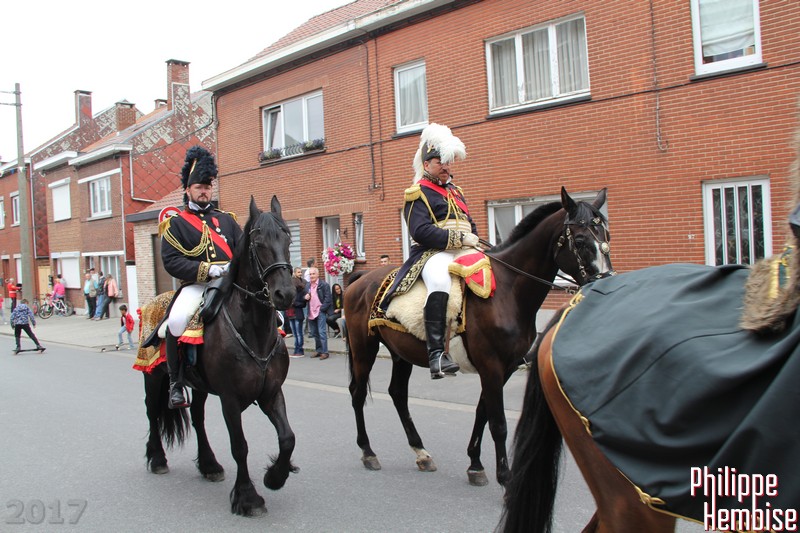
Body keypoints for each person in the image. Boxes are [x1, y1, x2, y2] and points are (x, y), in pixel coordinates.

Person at [380, 123, 479, 379]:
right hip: (433, 253)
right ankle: (436, 354)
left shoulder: (456, 191)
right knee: (440, 281)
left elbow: (468, 221)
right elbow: (421, 231)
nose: (446, 166)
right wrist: (459, 238)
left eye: (448, 162)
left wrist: (473, 237)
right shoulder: (417, 192)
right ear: (426, 164)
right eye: (440, 162)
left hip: (464, 249)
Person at [160, 145, 242, 409]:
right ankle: (176, 384)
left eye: (208, 186)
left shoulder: (227, 220)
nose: (204, 191)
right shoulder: (176, 224)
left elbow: (243, 250)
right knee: (176, 320)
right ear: (188, 190)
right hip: (197, 285)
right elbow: (172, 261)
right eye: (199, 187)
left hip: (230, 283)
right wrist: (207, 270)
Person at [304, 266, 332, 360]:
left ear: (317, 274)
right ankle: (319, 350)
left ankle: (325, 352)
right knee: (315, 333)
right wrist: (305, 298)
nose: (311, 276)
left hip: (320, 311)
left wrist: (322, 309)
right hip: (311, 312)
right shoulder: (307, 285)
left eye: (313, 274)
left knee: (321, 332)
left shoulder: (324, 285)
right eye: (310, 274)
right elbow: (305, 298)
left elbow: (328, 299)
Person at [289, 267, 308, 358]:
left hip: (297, 313)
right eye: (298, 272)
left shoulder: (302, 286)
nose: (300, 273)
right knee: (295, 334)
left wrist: (294, 303)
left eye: (300, 272)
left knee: (299, 333)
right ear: (294, 273)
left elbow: (302, 302)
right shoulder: (292, 283)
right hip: (290, 313)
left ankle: (299, 350)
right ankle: (296, 349)